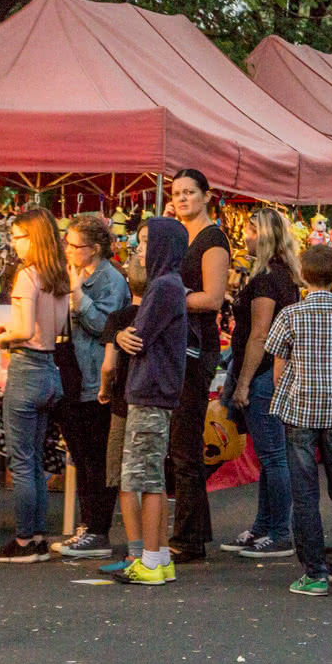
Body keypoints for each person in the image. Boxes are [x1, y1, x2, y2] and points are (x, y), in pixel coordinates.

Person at [124, 169, 229, 561]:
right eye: (177, 193)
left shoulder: (211, 239)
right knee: (176, 446)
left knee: (184, 443)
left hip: (194, 349)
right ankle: (193, 530)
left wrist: (170, 299)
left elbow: (214, 298)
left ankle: (187, 537)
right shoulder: (173, 237)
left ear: (206, 195)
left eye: (190, 192)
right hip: (172, 346)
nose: (183, 198)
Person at [267, 244, 332, 596]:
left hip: (299, 411)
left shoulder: (289, 315)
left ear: (301, 274)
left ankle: (314, 572)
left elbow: (279, 369)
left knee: (305, 493)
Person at [0, 208, 71, 564]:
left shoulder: (27, 275)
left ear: (34, 238)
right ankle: (37, 536)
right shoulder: (59, 275)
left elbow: (22, 330)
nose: (14, 244)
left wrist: (3, 337)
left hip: (26, 369)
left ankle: (23, 541)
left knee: (21, 462)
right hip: (51, 369)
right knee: (35, 460)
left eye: (19, 237)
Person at [219, 208, 303, 558]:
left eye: (251, 231)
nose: (246, 237)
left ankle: (278, 531)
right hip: (273, 372)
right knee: (271, 456)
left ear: (265, 237)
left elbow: (259, 334)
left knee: (273, 456)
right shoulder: (282, 276)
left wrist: (244, 383)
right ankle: (264, 526)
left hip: (264, 375)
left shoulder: (267, 279)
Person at [112, 217, 189, 585]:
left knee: (142, 479)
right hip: (155, 390)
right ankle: (157, 558)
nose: (138, 249)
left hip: (150, 390)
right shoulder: (170, 286)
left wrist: (122, 334)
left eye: (144, 242)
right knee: (149, 476)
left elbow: (137, 337)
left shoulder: (163, 287)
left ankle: (150, 560)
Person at [50, 215, 130, 559]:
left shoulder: (109, 280)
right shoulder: (75, 274)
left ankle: (99, 529)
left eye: (74, 245)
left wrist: (79, 296)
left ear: (94, 249)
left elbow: (106, 325)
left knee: (97, 456)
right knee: (80, 455)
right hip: (73, 372)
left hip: (98, 376)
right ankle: (88, 523)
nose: (67, 250)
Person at [96, 256, 147, 576]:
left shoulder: (118, 318)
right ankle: (155, 549)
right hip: (152, 402)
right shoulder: (159, 315)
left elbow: (108, 365)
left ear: (127, 282)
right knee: (149, 480)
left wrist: (104, 389)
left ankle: (135, 551)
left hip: (123, 404)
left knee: (125, 478)